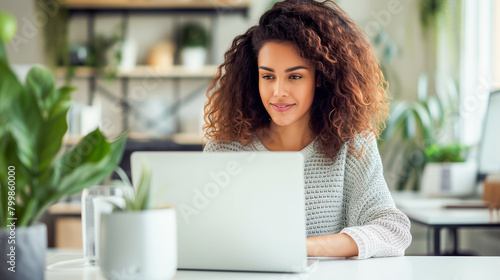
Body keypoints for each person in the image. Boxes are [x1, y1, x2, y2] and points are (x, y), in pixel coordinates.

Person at [202, 0, 411, 259]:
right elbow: (200, 233)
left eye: (295, 76)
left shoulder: (352, 145)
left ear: (320, 77)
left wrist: (301, 247)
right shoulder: (225, 148)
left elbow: (393, 230)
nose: (278, 92)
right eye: (268, 76)